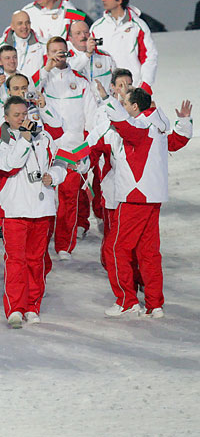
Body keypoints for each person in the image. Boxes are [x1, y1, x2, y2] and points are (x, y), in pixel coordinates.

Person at [93, 84, 192, 318]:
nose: (123, 107)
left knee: (115, 249)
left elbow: (125, 125)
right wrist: (184, 122)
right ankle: (155, 304)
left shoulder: (141, 125)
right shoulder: (156, 126)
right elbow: (177, 140)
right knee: (148, 252)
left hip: (135, 197)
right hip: (152, 199)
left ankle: (126, 301)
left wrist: (107, 99)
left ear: (135, 107)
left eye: (125, 103)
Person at [0, 96, 66, 328]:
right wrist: (24, 139)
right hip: (15, 210)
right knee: (16, 261)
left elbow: (61, 162)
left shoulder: (43, 136)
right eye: (16, 115)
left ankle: (33, 305)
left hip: (42, 209)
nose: (22, 119)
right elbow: (9, 165)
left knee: (36, 261)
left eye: (25, 114)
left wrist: (54, 176)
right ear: (6, 118)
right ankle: (15, 308)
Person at [38, 37, 98, 260]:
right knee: (45, 199)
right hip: (47, 149)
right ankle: (41, 241)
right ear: (47, 53)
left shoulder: (81, 82)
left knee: (69, 200)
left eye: (61, 51)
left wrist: (86, 152)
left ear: (68, 53)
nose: (58, 55)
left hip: (73, 150)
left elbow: (91, 120)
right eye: (53, 51)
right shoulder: (42, 78)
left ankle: (64, 245)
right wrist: (46, 68)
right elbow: (28, 93)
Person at [89, 0, 158, 94]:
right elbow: (91, 58)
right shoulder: (96, 27)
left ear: (119, 0)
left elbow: (149, 56)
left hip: (133, 87)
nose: (103, 0)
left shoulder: (138, 26)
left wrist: (145, 84)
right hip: (106, 90)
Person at [0, 10, 46, 83]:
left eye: (27, 23)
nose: (24, 27)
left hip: (34, 91)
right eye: (20, 23)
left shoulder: (43, 46)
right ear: (12, 26)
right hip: (7, 93)